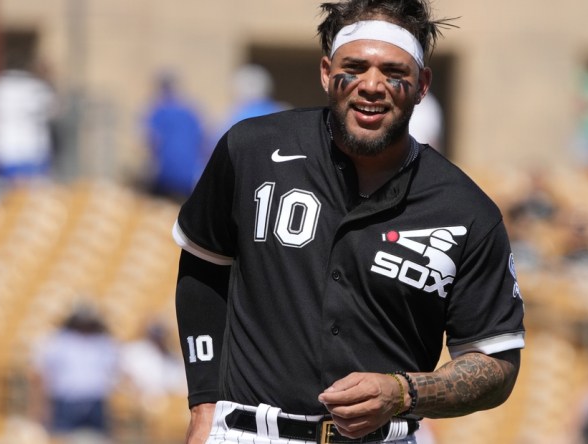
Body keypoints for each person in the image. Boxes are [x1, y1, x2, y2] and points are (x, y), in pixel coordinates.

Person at [172, 1, 526, 443]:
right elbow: (204, 269)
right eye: (354, 67)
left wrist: (404, 391)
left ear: (422, 85)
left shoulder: (466, 211)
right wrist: (204, 402)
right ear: (325, 72)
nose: (372, 85)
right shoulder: (251, 151)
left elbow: (495, 363)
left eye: (394, 72)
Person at [30, 303, 120, 440]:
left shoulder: (104, 342)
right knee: (62, 438)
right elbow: (42, 374)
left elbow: (115, 372)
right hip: (66, 401)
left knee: (99, 439)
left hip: (95, 401)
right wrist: (41, 406)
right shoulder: (58, 341)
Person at [0, 55, 57, 182]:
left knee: (10, 193)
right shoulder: (35, 87)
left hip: (5, 147)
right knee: (33, 192)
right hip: (32, 147)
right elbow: (53, 109)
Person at [142, 70, 210, 202]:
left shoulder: (157, 109)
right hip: (190, 177)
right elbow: (205, 141)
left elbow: (150, 140)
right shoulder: (193, 110)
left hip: (165, 175)